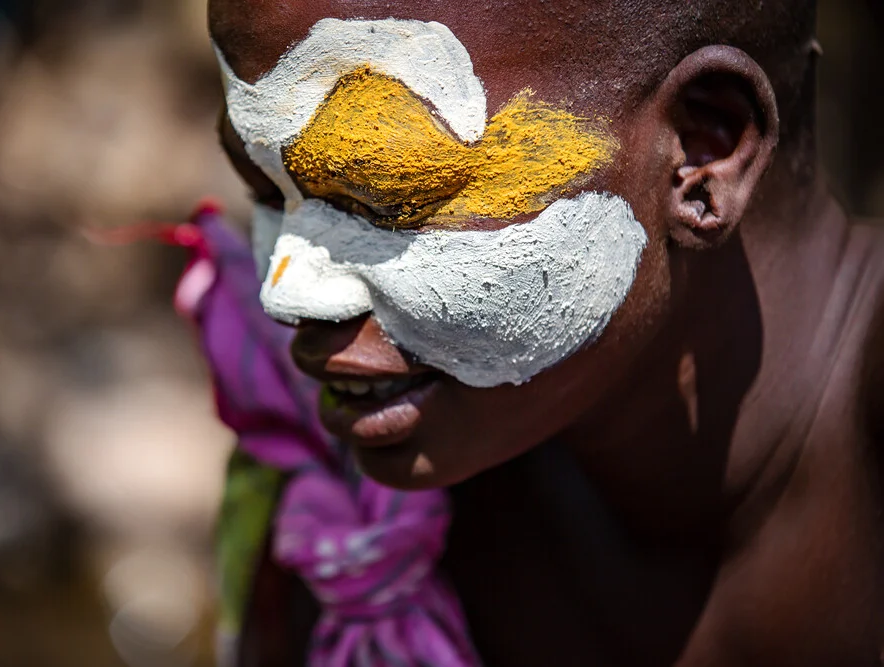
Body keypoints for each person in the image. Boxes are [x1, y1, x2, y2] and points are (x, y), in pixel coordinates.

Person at [195, 1, 884, 664]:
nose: (286, 294)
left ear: (703, 155)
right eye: (264, 190)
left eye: (385, 197)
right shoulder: (363, 537)